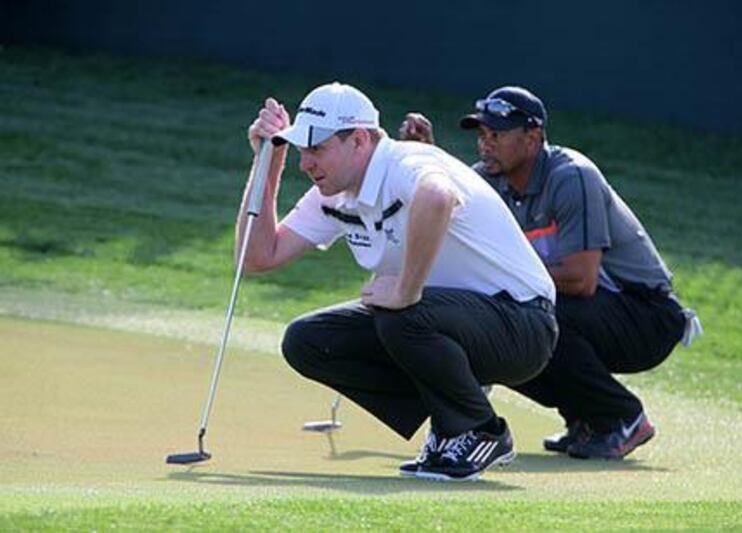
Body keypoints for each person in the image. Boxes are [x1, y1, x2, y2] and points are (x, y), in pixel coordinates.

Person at [237, 82, 558, 480]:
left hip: (523, 325)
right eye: (301, 149)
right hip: (451, 324)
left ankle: (481, 430)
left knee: (398, 313)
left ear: (358, 140)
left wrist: (405, 289)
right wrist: (269, 163)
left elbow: (437, 197)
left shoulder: (405, 162)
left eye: (316, 149)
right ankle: (448, 424)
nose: (306, 163)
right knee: (307, 341)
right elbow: (257, 257)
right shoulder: (333, 194)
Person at [400, 86, 702, 460]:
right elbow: (443, 209)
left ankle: (621, 417)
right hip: (590, 312)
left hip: (645, 316)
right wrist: (426, 157)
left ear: (533, 138)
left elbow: (581, 278)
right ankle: (585, 420)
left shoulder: (571, 176)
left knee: (531, 314)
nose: (485, 144)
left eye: (497, 135)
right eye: (482, 135)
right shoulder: (488, 180)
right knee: (501, 326)